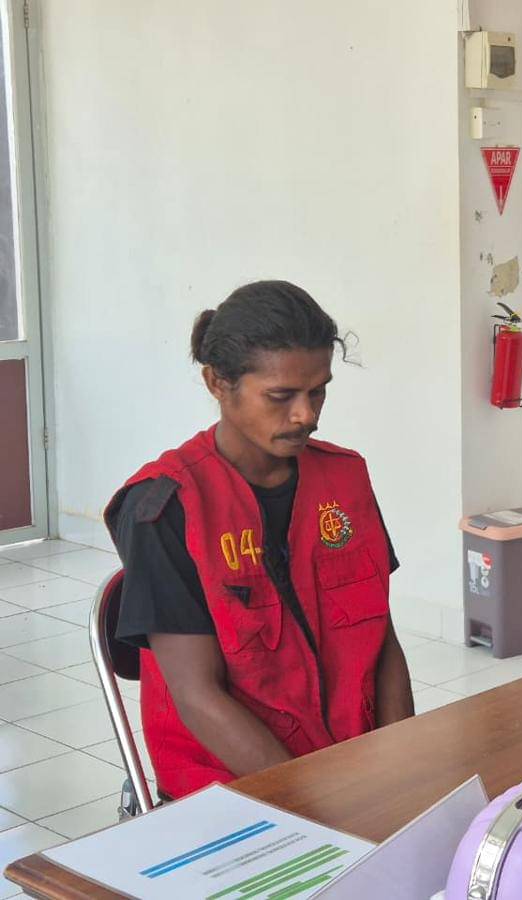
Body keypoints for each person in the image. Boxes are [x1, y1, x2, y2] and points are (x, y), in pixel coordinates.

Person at [106, 280, 414, 800]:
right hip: (229, 790)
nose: (306, 415)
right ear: (217, 383)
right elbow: (197, 695)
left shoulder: (345, 479)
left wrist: (401, 761)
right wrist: (314, 801)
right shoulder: (166, 507)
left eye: (318, 390)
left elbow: (379, 637)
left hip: (352, 773)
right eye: (281, 396)